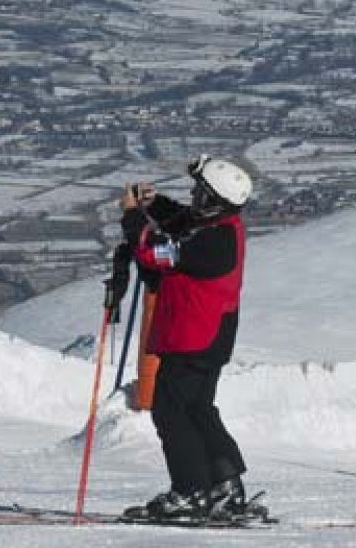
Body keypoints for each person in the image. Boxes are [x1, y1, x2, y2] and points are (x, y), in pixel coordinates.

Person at [119, 155, 254, 522]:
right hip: (206, 335)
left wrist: (133, 217)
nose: (194, 198)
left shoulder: (214, 242)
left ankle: (190, 491)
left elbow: (154, 252)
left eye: (200, 193)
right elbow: (184, 224)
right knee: (197, 409)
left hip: (193, 336)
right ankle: (225, 486)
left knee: (171, 412)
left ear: (214, 201)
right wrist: (154, 204)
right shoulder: (220, 228)